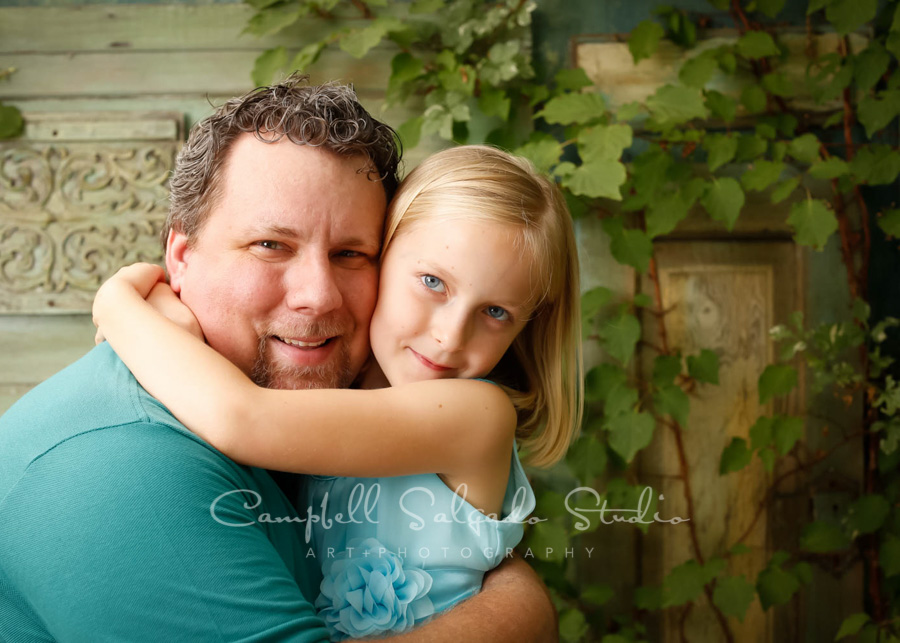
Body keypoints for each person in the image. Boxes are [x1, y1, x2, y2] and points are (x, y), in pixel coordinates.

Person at [0, 76, 558, 641]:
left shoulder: (354, 393)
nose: (318, 295)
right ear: (180, 257)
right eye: (271, 245)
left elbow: (247, 417)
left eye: (349, 253)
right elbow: (240, 416)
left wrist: (123, 306)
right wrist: (518, 609)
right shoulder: (122, 469)